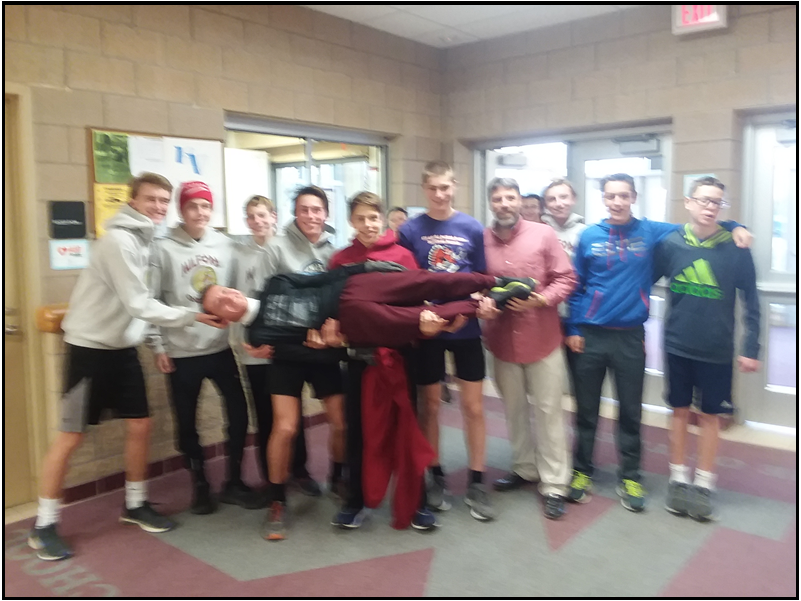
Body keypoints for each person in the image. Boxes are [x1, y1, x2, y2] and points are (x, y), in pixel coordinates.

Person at [28, 173, 225, 561]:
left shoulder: (148, 241)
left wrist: (154, 342)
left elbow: (143, 304)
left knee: (141, 425)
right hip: (88, 350)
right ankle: (43, 525)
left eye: (163, 201)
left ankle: (135, 505)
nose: (157, 206)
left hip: (122, 351)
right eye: (150, 199)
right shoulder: (118, 241)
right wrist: (194, 316)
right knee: (70, 436)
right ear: (133, 201)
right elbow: (140, 304)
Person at [565, 173, 752, 513]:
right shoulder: (589, 235)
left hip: (630, 336)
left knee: (631, 412)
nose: (617, 202)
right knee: (586, 410)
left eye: (624, 195)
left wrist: (736, 224)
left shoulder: (652, 231)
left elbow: (702, 220)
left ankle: (631, 476)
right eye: (611, 196)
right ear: (603, 199)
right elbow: (577, 285)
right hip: (589, 335)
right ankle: (581, 471)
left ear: (634, 197)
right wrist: (574, 327)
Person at [327, 192, 438, 532]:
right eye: (360, 219)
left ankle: (416, 501)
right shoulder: (341, 261)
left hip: (401, 358)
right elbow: (333, 308)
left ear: (383, 218)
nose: (368, 225)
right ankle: (355, 500)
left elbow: (416, 301)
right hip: (360, 360)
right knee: (359, 433)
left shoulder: (403, 256)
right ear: (351, 221)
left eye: (373, 218)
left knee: (407, 430)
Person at [653, 176, 760, 522]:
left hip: (717, 348)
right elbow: (642, 280)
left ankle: (704, 482)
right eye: (703, 200)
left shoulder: (736, 248)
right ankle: (679, 477)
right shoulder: (670, 243)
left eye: (717, 202)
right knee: (680, 411)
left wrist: (751, 347)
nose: (710, 207)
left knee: (711, 416)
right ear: (688, 202)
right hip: (677, 345)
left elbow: (752, 300)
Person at [148, 181, 256, 516]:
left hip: (220, 347)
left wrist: (241, 334)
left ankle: (234, 481)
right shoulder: (163, 248)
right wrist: (157, 346)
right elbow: (150, 301)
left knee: (238, 414)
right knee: (187, 423)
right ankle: (200, 485)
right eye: (193, 206)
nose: (200, 213)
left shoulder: (225, 245)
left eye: (206, 206)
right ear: (181, 210)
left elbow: (237, 293)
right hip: (181, 351)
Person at [398, 160, 496, 522]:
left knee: (473, 408)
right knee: (431, 406)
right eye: (433, 188)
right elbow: (407, 283)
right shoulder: (411, 229)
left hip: (467, 328)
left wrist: (479, 307)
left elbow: (483, 278)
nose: (440, 195)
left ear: (455, 187)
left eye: (446, 187)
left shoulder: (471, 226)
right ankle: (435, 474)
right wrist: (428, 317)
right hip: (429, 330)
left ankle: (476, 479)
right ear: (425, 190)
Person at [481, 178, 577, 521]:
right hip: (502, 341)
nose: (504, 203)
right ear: (491, 202)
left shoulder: (543, 234)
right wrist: (483, 302)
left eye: (510, 197)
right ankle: (525, 469)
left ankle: (554, 485)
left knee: (550, 413)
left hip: (542, 339)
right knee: (514, 411)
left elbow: (566, 278)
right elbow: (477, 284)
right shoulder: (482, 240)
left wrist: (541, 300)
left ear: (520, 201)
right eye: (498, 198)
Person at [257, 185, 346, 542]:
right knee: (286, 428)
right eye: (304, 210)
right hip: (288, 352)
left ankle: (338, 477)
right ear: (295, 213)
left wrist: (334, 327)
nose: (311, 216)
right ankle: (276, 500)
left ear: (326, 213)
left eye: (317, 210)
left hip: (325, 351)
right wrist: (265, 336)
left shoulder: (336, 253)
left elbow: (341, 301)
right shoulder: (275, 247)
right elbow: (262, 300)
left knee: (341, 423)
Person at [230, 196, 317, 502]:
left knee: (293, 416)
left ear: (273, 216)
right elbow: (236, 302)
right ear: (246, 220)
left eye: (262, 215)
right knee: (265, 416)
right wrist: (250, 341)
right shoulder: (237, 254)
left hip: (286, 347)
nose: (257, 221)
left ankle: (301, 470)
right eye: (251, 216)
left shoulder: (286, 248)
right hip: (255, 348)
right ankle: (272, 478)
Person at [540, 178, 587, 394]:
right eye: (552, 199)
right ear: (545, 204)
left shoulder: (587, 233)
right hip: (545, 312)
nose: (558, 203)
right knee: (547, 381)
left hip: (577, 315)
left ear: (573, 199)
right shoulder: (536, 231)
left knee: (581, 380)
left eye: (563, 197)